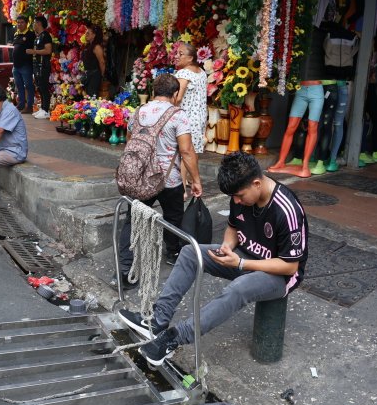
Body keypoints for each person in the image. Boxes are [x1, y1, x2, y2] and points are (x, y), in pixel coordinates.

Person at [119, 152, 308, 367]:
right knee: (191, 253)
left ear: (257, 183)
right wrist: (227, 246)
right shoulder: (240, 192)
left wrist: (241, 263)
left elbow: (290, 266)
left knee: (239, 289)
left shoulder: (287, 209)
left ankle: (174, 339)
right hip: (245, 257)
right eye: (233, 197)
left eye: (240, 196)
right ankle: (157, 320)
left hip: (279, 274)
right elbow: (234, 227)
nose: (236, 201)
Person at [116, 73, 204, 288]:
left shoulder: (139, 112)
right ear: (175, 94)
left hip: (140, 178)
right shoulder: (178, 115)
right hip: (168, 179)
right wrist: (196, 180)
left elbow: (130, 143)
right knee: (173, 217)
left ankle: (124, 271)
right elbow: (186, 151)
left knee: (132, 220)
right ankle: (173, 252)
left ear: (154, 91)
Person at [172, 42, 208, 154]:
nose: (176, 56)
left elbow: (178, 98)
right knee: (193, 153)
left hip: (185, 119)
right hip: (199, 119)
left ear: (190, 58)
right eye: (177, 53)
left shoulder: (184, 73)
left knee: (183, 154)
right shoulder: (202, 72)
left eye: (181, 54)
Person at [27, 15, 53, 119]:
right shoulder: (38, 36)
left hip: (43, 65)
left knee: (44, 87)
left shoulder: (46, 35)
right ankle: (42, 108)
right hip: (37, 65)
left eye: (34, 23)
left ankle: (46, 110)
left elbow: (48, 50)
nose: (33, 25)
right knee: (39, 87)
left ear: (39, 23)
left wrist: (34, 51)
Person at [11, 16, 35, 112]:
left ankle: (29, 106)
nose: (19, 24)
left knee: (28, 86)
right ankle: (21, 105)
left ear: (26, 23)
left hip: (26, 65)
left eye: (22, 22)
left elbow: (34, 49)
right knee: (19, 86)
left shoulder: (31, 34)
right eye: (18, 22)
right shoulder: (16, 34)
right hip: (16, 66)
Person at [81, 25, 108, 99]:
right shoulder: (88, 46)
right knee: (86, 96)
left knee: (91, 96)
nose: (86, 34)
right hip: (88, 74)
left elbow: (102, 62)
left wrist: (101, 75)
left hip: (94, 75)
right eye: (86, 33)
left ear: (94, 35)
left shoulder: (97, 47)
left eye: (88, 33)